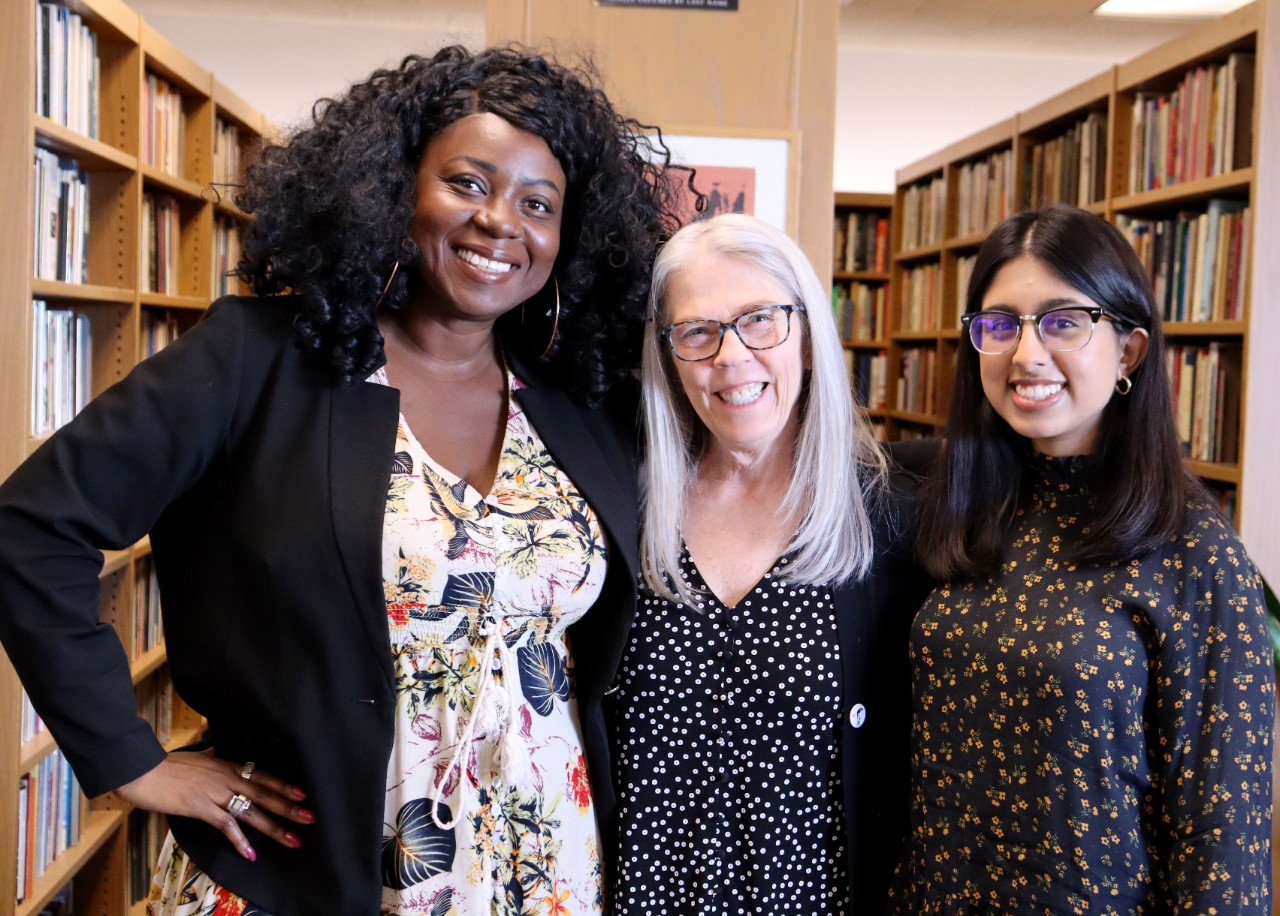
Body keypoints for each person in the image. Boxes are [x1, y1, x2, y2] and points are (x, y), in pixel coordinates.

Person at [0, 45, 685, 916]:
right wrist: (132, 759)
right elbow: (31, 528)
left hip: (542, 864)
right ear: (394, 189)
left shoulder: (579, 405)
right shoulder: (259, 359)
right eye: (468, 184)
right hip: (307, 872)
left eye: (537, 203)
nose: (500, 222)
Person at [888, 203, 1274, 914]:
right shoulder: (958, 508)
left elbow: (1224, 835)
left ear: (1128, 350)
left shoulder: (1191, 546)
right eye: (1000, 325)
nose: (1027, 354)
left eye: (1064, 321)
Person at [606, 213, 931, 914]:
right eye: (698, 332)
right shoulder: (619, 511)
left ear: (808, 339)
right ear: (667, 356)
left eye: (760, 320)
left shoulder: (893, 524)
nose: (731, 356)